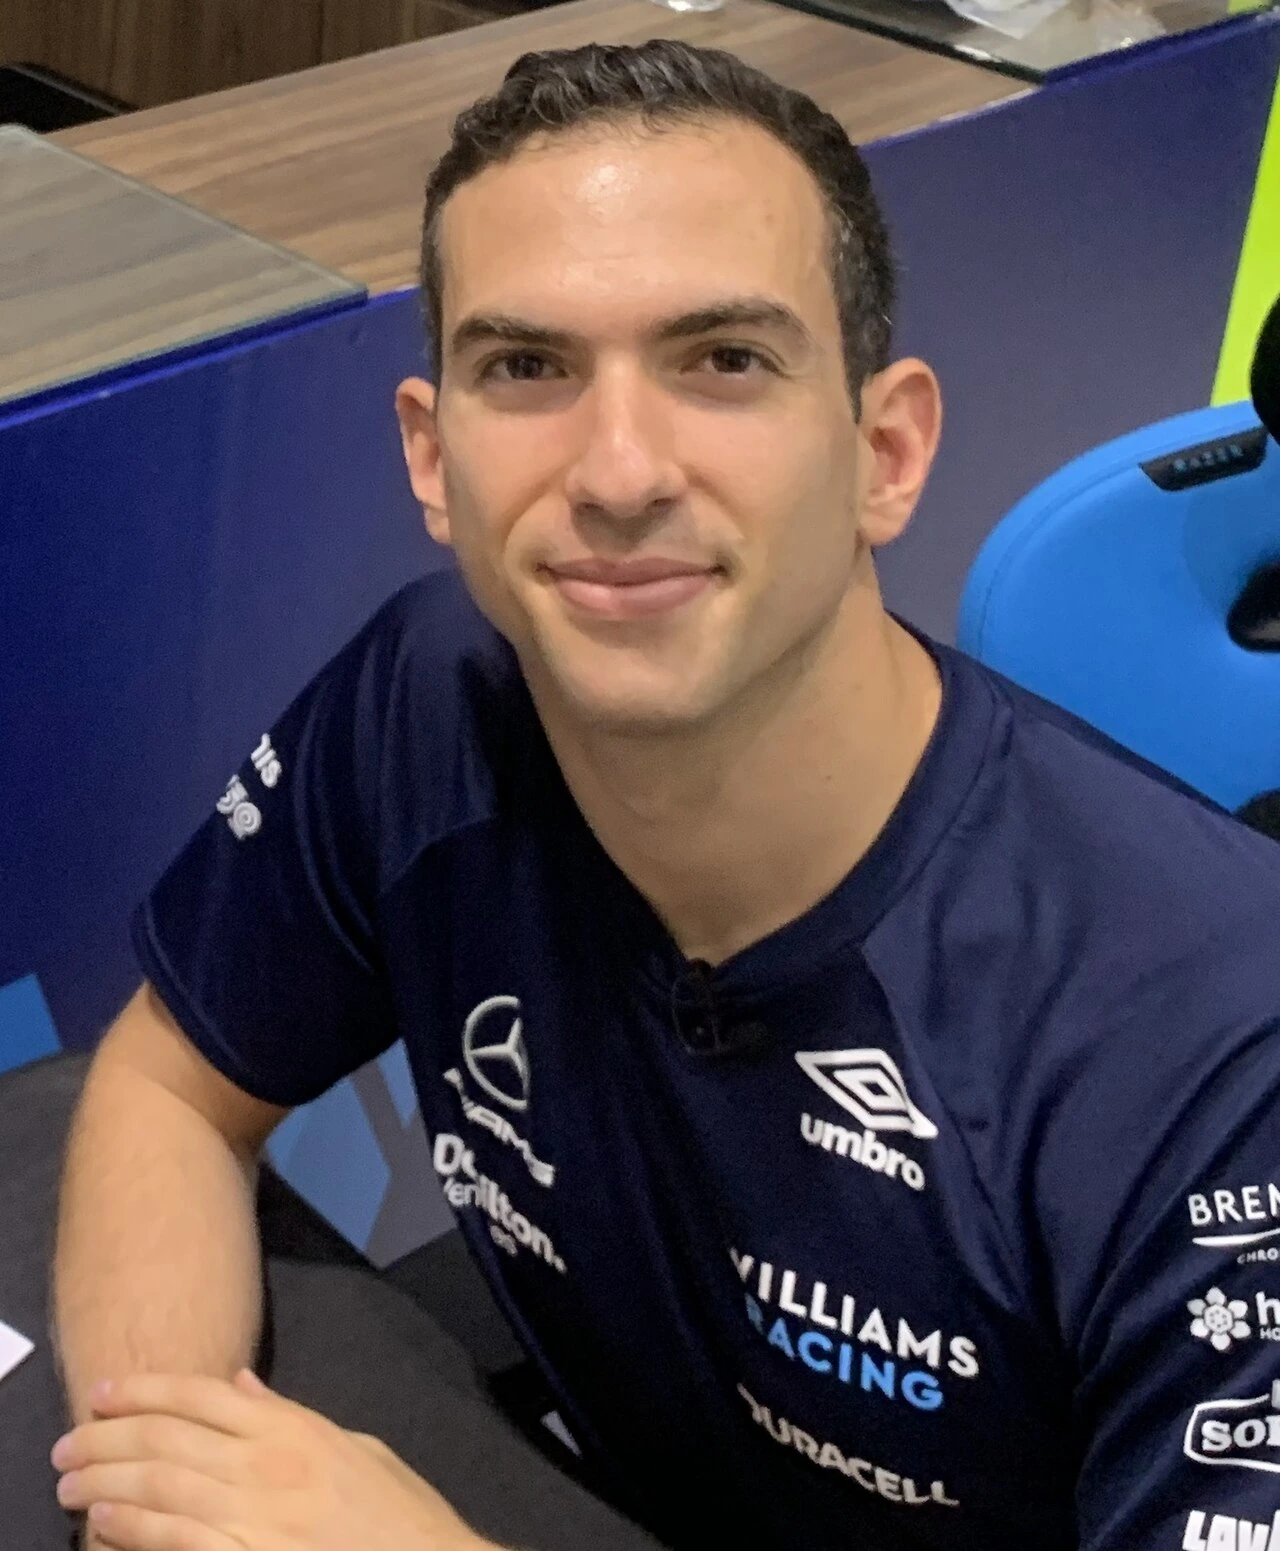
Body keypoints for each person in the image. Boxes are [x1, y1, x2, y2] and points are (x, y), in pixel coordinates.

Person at [46, 37, 1280, 1551]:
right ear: (434, 462)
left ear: (883, 451)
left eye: (725, 362)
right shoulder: (435, 697)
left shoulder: (1222, 1050)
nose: (619, 468)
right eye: (528, 368)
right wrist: (163, 1470)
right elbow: (171, 1083)